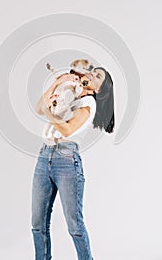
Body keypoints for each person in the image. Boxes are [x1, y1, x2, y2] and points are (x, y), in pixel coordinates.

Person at [31, 66, 115, 260]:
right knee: (37, 223)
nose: (91, 74)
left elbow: (67, 130)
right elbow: (39, 107)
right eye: (93, 71)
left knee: (74, 225)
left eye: (97, 76)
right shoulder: (72, 98)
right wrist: (58, 82)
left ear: (99, 89)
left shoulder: (88, 104)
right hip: (45, 156)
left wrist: (49, 112)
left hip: (66, 161)